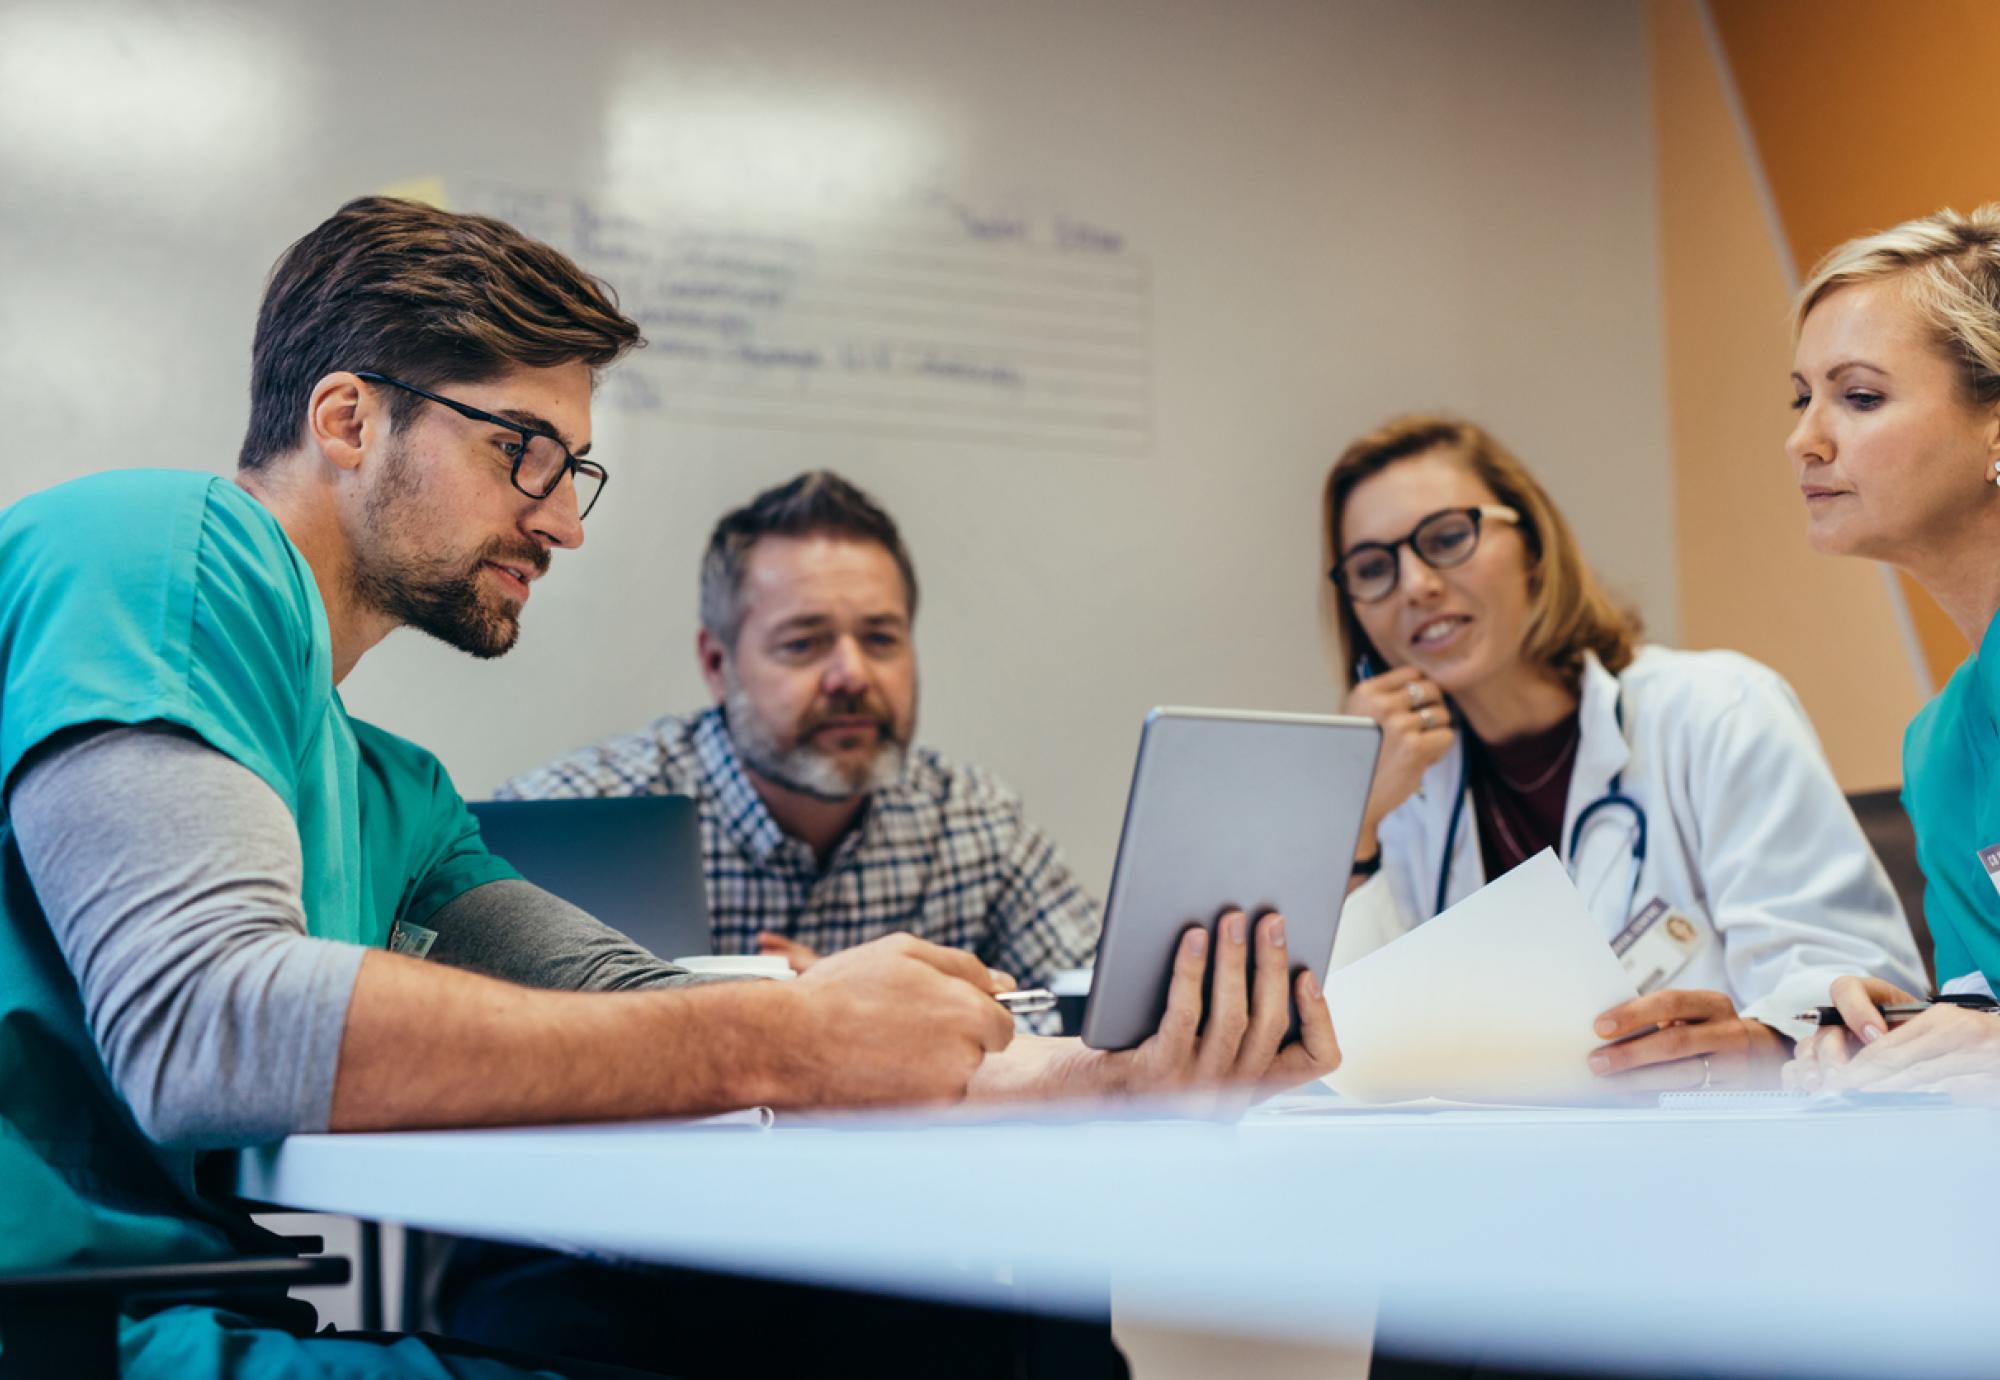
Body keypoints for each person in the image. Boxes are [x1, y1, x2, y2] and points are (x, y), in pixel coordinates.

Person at [0, 195, 1336, 1379]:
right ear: (348, 419)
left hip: (180, 1316)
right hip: (75, 1329)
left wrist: (1103, 1081)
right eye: (522, 449)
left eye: (574, 470)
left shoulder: (391, 795)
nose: (566, 521)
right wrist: (793, 1040)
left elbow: (630, 1006)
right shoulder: (159, 551)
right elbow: (203, 1023)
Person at [1322, 414, 1923, 1094]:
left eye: (1448, 538)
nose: (1415, 584)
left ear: (1532, 546)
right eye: (1373, 568)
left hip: (1729, 1164)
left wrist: (1757, 1046)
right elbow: (1347, 1060)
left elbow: (1855, 988)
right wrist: (1357, 820)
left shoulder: (1715, 711)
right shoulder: (1399, 797)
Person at [495, 469, 1095, 1003]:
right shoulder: (570, 820)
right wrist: (805, 1024)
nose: (852, 676)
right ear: (716, 664)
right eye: (803, 643)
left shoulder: (974, 820)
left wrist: (920, 1011)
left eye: (881, 639)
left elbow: (1107, 1022)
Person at [1778, 205, 2000, 1104]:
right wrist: (1900, 1038)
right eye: (1802, 398)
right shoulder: (1942, 747)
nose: (1804, 439)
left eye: (1859, 397)